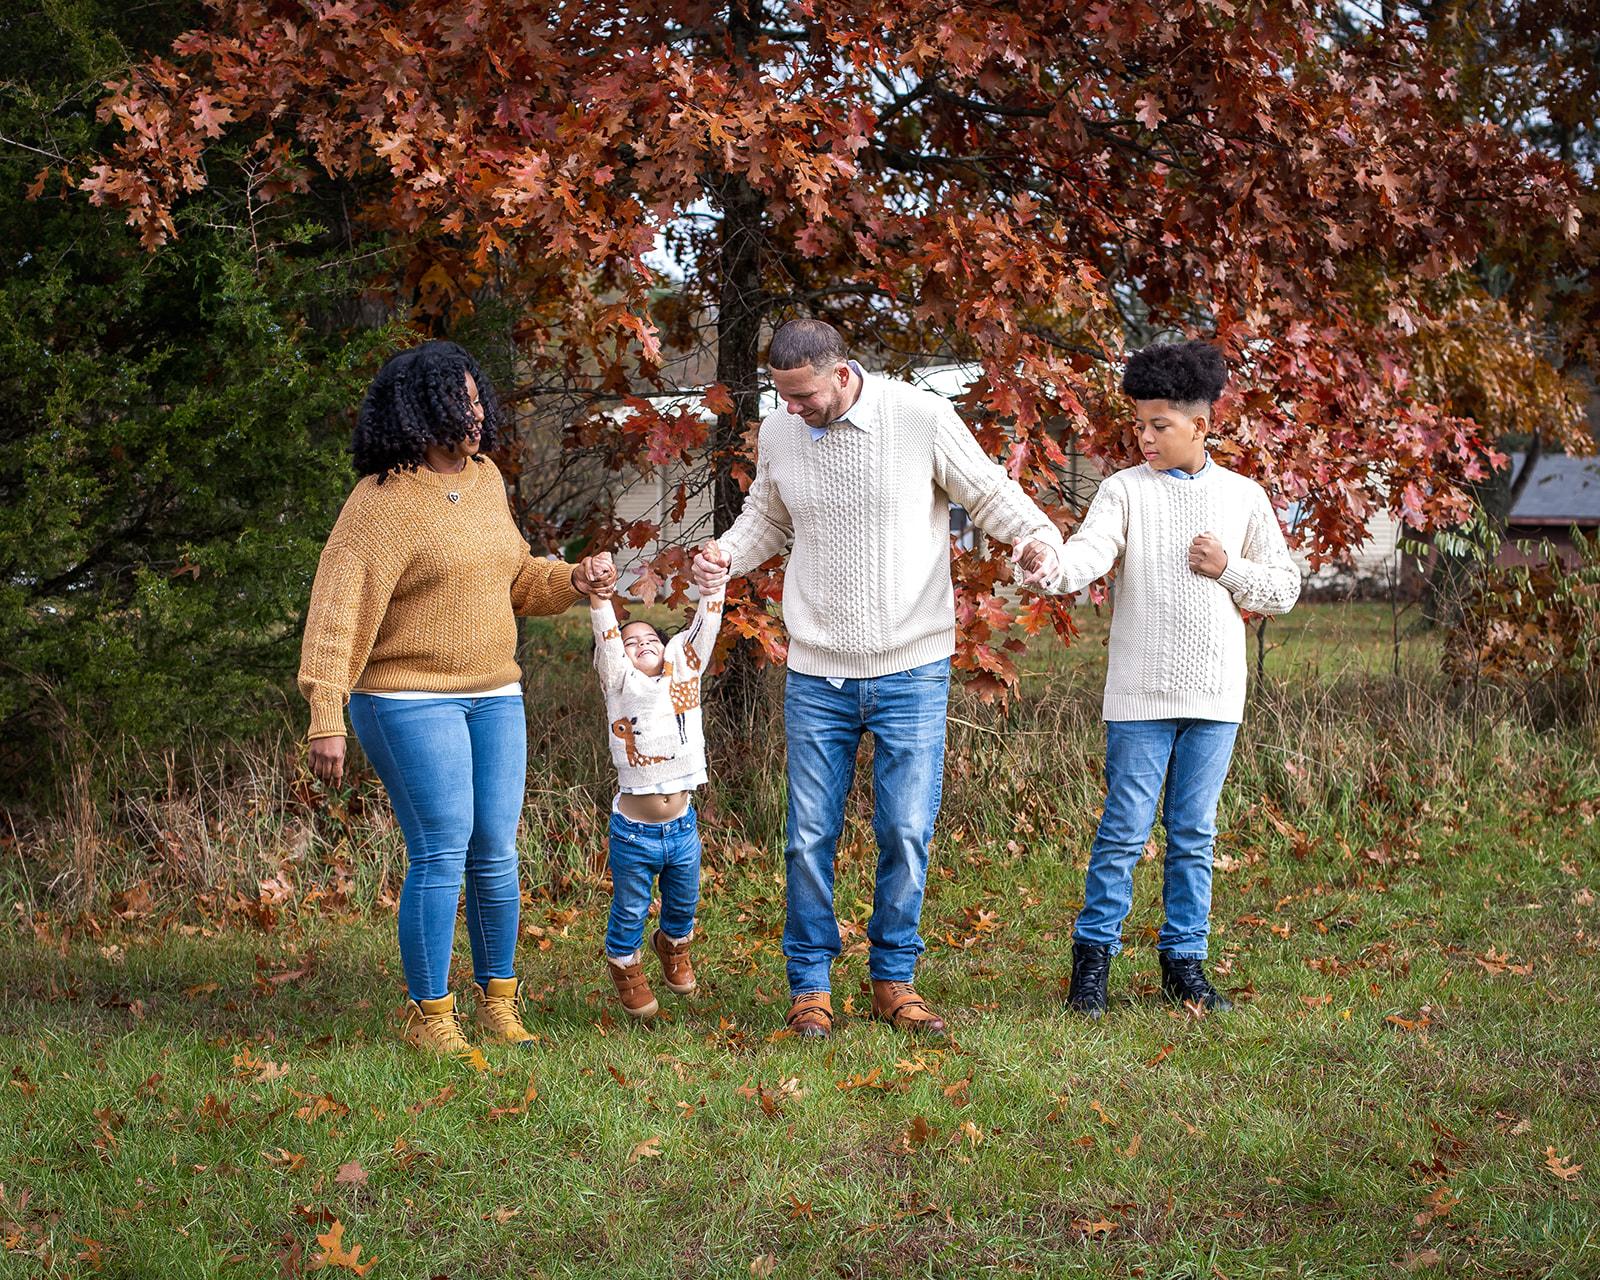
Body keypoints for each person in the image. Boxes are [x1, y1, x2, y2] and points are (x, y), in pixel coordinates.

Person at [692, 318, 1066, 1039]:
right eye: (783, 398)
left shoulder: (918, 417)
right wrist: (724, 555)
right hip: (817, 672)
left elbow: (989, 494)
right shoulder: (780, 433)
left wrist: (1036, 538)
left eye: (802, 396)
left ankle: (894, 978)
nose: (791, 410)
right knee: (806, 834)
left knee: (904, 828)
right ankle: (809, 987)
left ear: (841, 373)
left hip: (911, 666)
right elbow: (765, 519)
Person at [298, 340, 615, 1060]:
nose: (473, 413)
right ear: (420, 408)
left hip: (495, 693)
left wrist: (574, 579)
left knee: (495, 853)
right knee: (442, 849)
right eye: (458, 401)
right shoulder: (380, 501)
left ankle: (499, 1004)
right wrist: (326, 713)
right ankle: (429, 1015)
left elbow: (516, 583)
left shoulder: (486, 481)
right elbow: (335, 613)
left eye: (477, 399)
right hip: (406, 697)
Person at [1018, 339, 1300, 1017]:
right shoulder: (1123, 492)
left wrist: (1229, 568)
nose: (1143, 436)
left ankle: (1184, 965)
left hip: (1214, 696)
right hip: (1140, 696)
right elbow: (1085, 556)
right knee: (1122, 831)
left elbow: (1286, 588)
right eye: (1139, 423)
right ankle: (1092, 966)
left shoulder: (1243, 497)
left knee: (1194, 834)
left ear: (1201, 425)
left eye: (1158, 425)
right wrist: (1045, 566)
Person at [586, 574, 724, 1019]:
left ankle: (672, 946)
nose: (642, 642)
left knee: (683, 904)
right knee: (631, 907)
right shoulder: (619, 684)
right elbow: (608, 641)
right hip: (633, 833)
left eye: (651, 637)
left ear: (669, 649)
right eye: (631, 642)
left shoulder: (685, 672)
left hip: (682, 826)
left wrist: (714, 585)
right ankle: (624, 965)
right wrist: (599, 599)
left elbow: (705, 628)